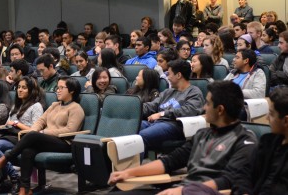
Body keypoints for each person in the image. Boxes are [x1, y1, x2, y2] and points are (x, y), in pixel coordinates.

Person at [109, 80, 257, 195]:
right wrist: (129, 172)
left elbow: (229, 180)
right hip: (183, 189)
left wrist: (185, 191)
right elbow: (170, 161)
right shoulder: (202, 134)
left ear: (220, 110)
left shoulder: (244, 140)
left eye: (208, 103)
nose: (204, 108)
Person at [0, 76, 85, 195]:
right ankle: (25, 189)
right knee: (28, 150)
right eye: (57, 88)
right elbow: (41, 121)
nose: (58, 90)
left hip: (64, 143)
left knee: (34, 136)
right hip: (47, 140)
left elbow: (70, 130)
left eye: (61, 88)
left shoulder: (76, 108)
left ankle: (5, 158)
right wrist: (35, 131)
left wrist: (42, 133)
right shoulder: (55, 105)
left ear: (72, 90)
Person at [0, 77, 45, 195]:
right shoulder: (15, 106)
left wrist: (16, 123)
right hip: (6, 134)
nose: (20, 90)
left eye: (24, 88)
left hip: (21, 138)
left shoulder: (36, 106)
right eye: (19, 87)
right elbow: (7, 124)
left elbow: (35, 130)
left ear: (31, 90)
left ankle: (14, 178)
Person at [138, 59, 204, 154]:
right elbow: (152, 105)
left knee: (140, 137)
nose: (167, 77)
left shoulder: (194, 92)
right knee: (129, 130)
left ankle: (135, 168)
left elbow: (189, 111)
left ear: (178, 75)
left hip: (174, 125)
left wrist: (162, 114)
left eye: (169, 74)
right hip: (155, 123)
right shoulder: (168, 92)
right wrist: (134, 108)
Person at [247, 86, 288, 194]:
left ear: (286, 121)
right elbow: (245, 172)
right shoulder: (267, 142)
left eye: (271, 114)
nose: (267, 118)